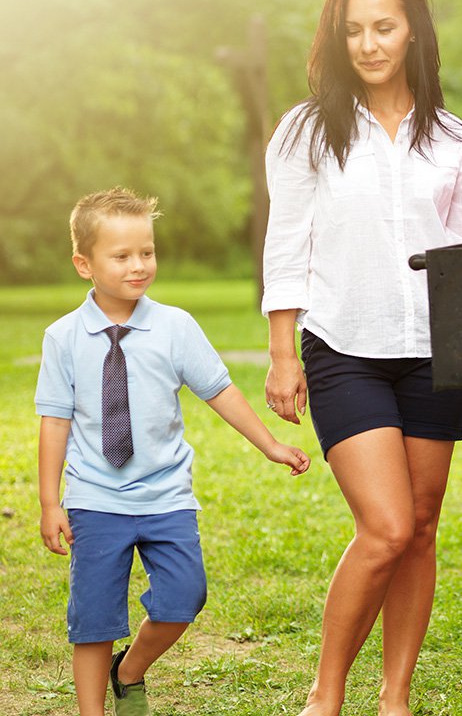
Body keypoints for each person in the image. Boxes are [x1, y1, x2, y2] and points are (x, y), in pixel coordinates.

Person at [262, 0, 462, 716]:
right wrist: (282, 354)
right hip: (344, 346)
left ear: (412, 31)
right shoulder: (305, 130)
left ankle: (395, 700)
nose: (367, 43)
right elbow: (286, 246)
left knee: (421, 529)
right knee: (386, 526)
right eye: (353, 29)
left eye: (383, 27)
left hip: (433, 351)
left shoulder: (449, 134)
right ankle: (326, 696)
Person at [37, 187, 310, 716]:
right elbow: (54, 422)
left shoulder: (175, 327)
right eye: (121, 256)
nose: (139, 266)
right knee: (94, 617)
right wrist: (52, 502)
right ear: (83, 264)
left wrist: (271, 445)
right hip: (96, 498)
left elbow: (221, 392)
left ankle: (130, 669)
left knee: (184, 599)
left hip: (167, 497)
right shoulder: (62, 338)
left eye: (147, 252)